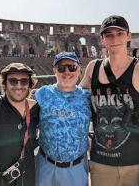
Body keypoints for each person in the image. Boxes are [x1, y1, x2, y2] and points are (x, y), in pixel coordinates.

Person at [80, 15, 139, 186]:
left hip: (136, 163)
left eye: (119, 33)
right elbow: (72, 97)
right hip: (101, 164)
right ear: (102, 40)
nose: (114, 39)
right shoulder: (93, 68)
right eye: (109, 35)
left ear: (128, 36)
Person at [0, 63, 40, 186]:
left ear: (29, 85)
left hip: (25, 179)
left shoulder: (35, 108)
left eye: (24, 81)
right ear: (5, 83)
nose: (19, 86)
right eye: (13, 81)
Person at [35, 51, 91, 186]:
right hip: (46, 165)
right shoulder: (42, 93)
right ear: (55, 71)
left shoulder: (88, 98)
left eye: (72, 67)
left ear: (79, 70)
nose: (67, 72)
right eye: (61, 68)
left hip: (76, 168)